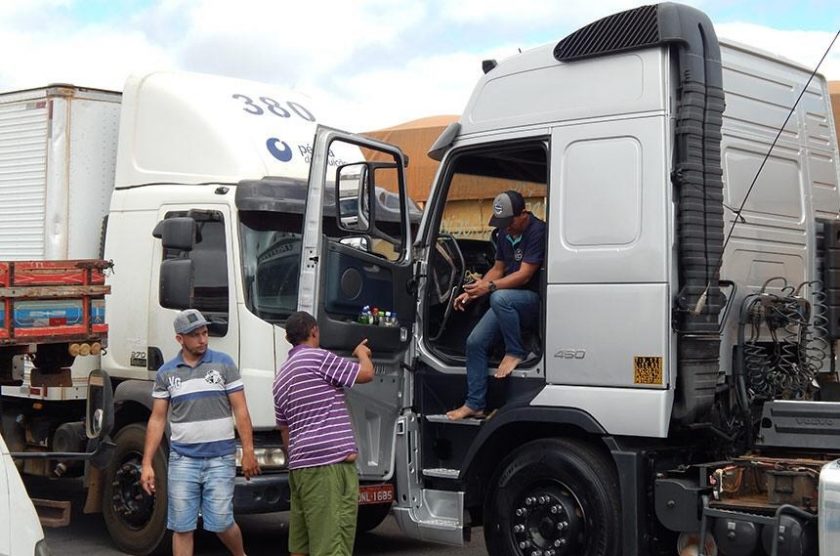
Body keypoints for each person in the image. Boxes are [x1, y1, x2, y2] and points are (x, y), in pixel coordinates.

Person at [141, 309, 260, 556]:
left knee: (221, 522)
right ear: (180, 339)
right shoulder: (166, 373)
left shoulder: (224, 364)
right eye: (195, 335)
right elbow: (157, 419)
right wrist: (147, 463)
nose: (202, 339)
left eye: (204, 333)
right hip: (183, 461)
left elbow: (241, 411)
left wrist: (248, 451)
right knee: (182, 527)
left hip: (220, 458)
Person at [273, 311, 374, 556]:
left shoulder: (281, 378)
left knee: (301, 544)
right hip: (328, 467)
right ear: (314, 331)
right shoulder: (319, 358)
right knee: (332, 545)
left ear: (288, 338)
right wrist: (362, 354)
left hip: (299, 469)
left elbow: (284, 429)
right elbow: (366, 374)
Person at [447, 190, 546, 420]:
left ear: (523, 214)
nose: (506, 228)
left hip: (532, 302)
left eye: (509, 222)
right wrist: (476, 289)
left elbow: (524, 275)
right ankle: (475, 404)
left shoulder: (537, 231)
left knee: (499, 298)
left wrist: (489, 288)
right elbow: (498, 268)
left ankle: (515, 351)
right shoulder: (504, 233)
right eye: (501, 224)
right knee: (475, 342)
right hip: (507, 301)